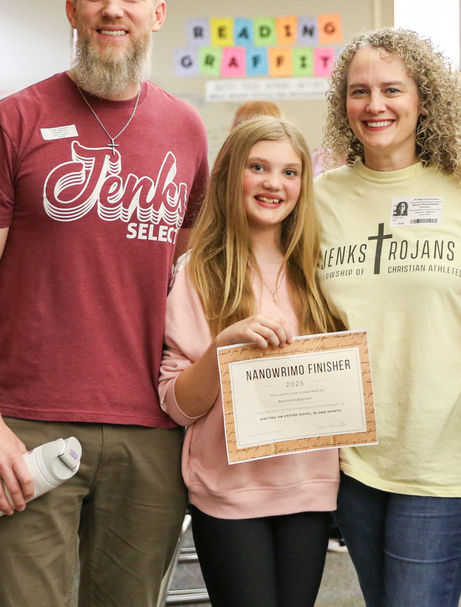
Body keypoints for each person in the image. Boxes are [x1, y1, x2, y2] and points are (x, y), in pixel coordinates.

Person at [0, 0, 209, 605]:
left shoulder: (187, 131)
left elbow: (193, 279)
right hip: (29, 423)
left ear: (157, 13)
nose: (112, 9)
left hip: (152, 427)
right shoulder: (12, 122)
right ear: (71, 9)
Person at [315, 27, 461, 607]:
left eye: (391, 89)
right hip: (354, 459)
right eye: (359, 92)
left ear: (424, 99)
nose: (374, 106)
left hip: (447, 455)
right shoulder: (320, 197)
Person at [157, 115, 339, 607]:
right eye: (258, 167)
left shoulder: (321, 269)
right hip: (229, 491)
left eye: (290, 171)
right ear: (232, 173)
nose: (273, 183)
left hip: (309, 486)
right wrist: (224, 347)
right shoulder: (199, 271)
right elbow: (178, 406)